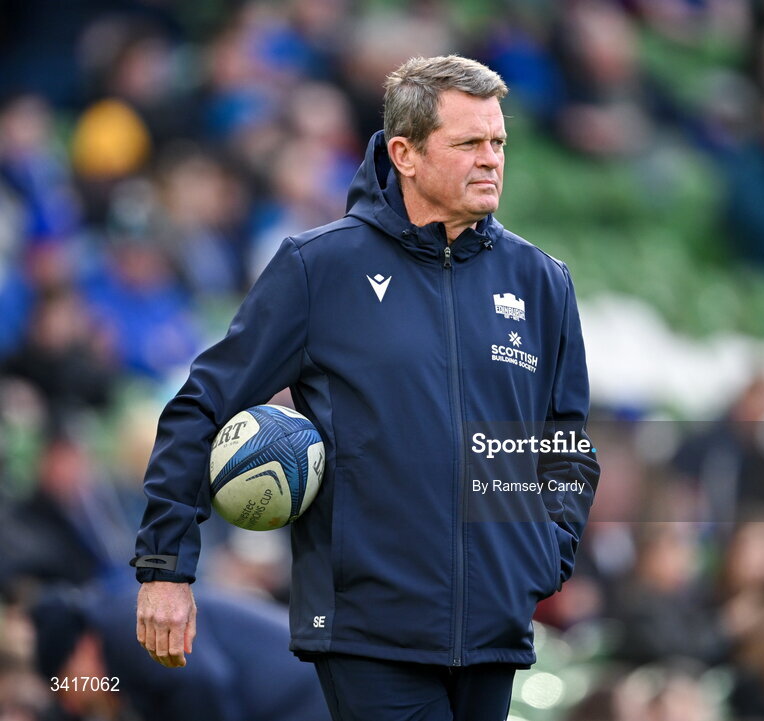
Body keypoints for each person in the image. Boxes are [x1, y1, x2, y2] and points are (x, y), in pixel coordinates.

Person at [132, 55, 600, 721]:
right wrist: (165, 566)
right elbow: (200, 406)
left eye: (498, 142)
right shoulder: (318, 268)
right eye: (469, 142)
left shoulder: (541, 280)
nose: (491, 159)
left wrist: (543, 555)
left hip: (497, 630)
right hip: (369, 629)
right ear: (405, 153)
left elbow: (567, 439)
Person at [30, 586, 331, 721]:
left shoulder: (127, 631)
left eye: (66, 686)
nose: (71, 705)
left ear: (80, 650)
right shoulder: (118, 622)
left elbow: (201, 682)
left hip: (301, 697)